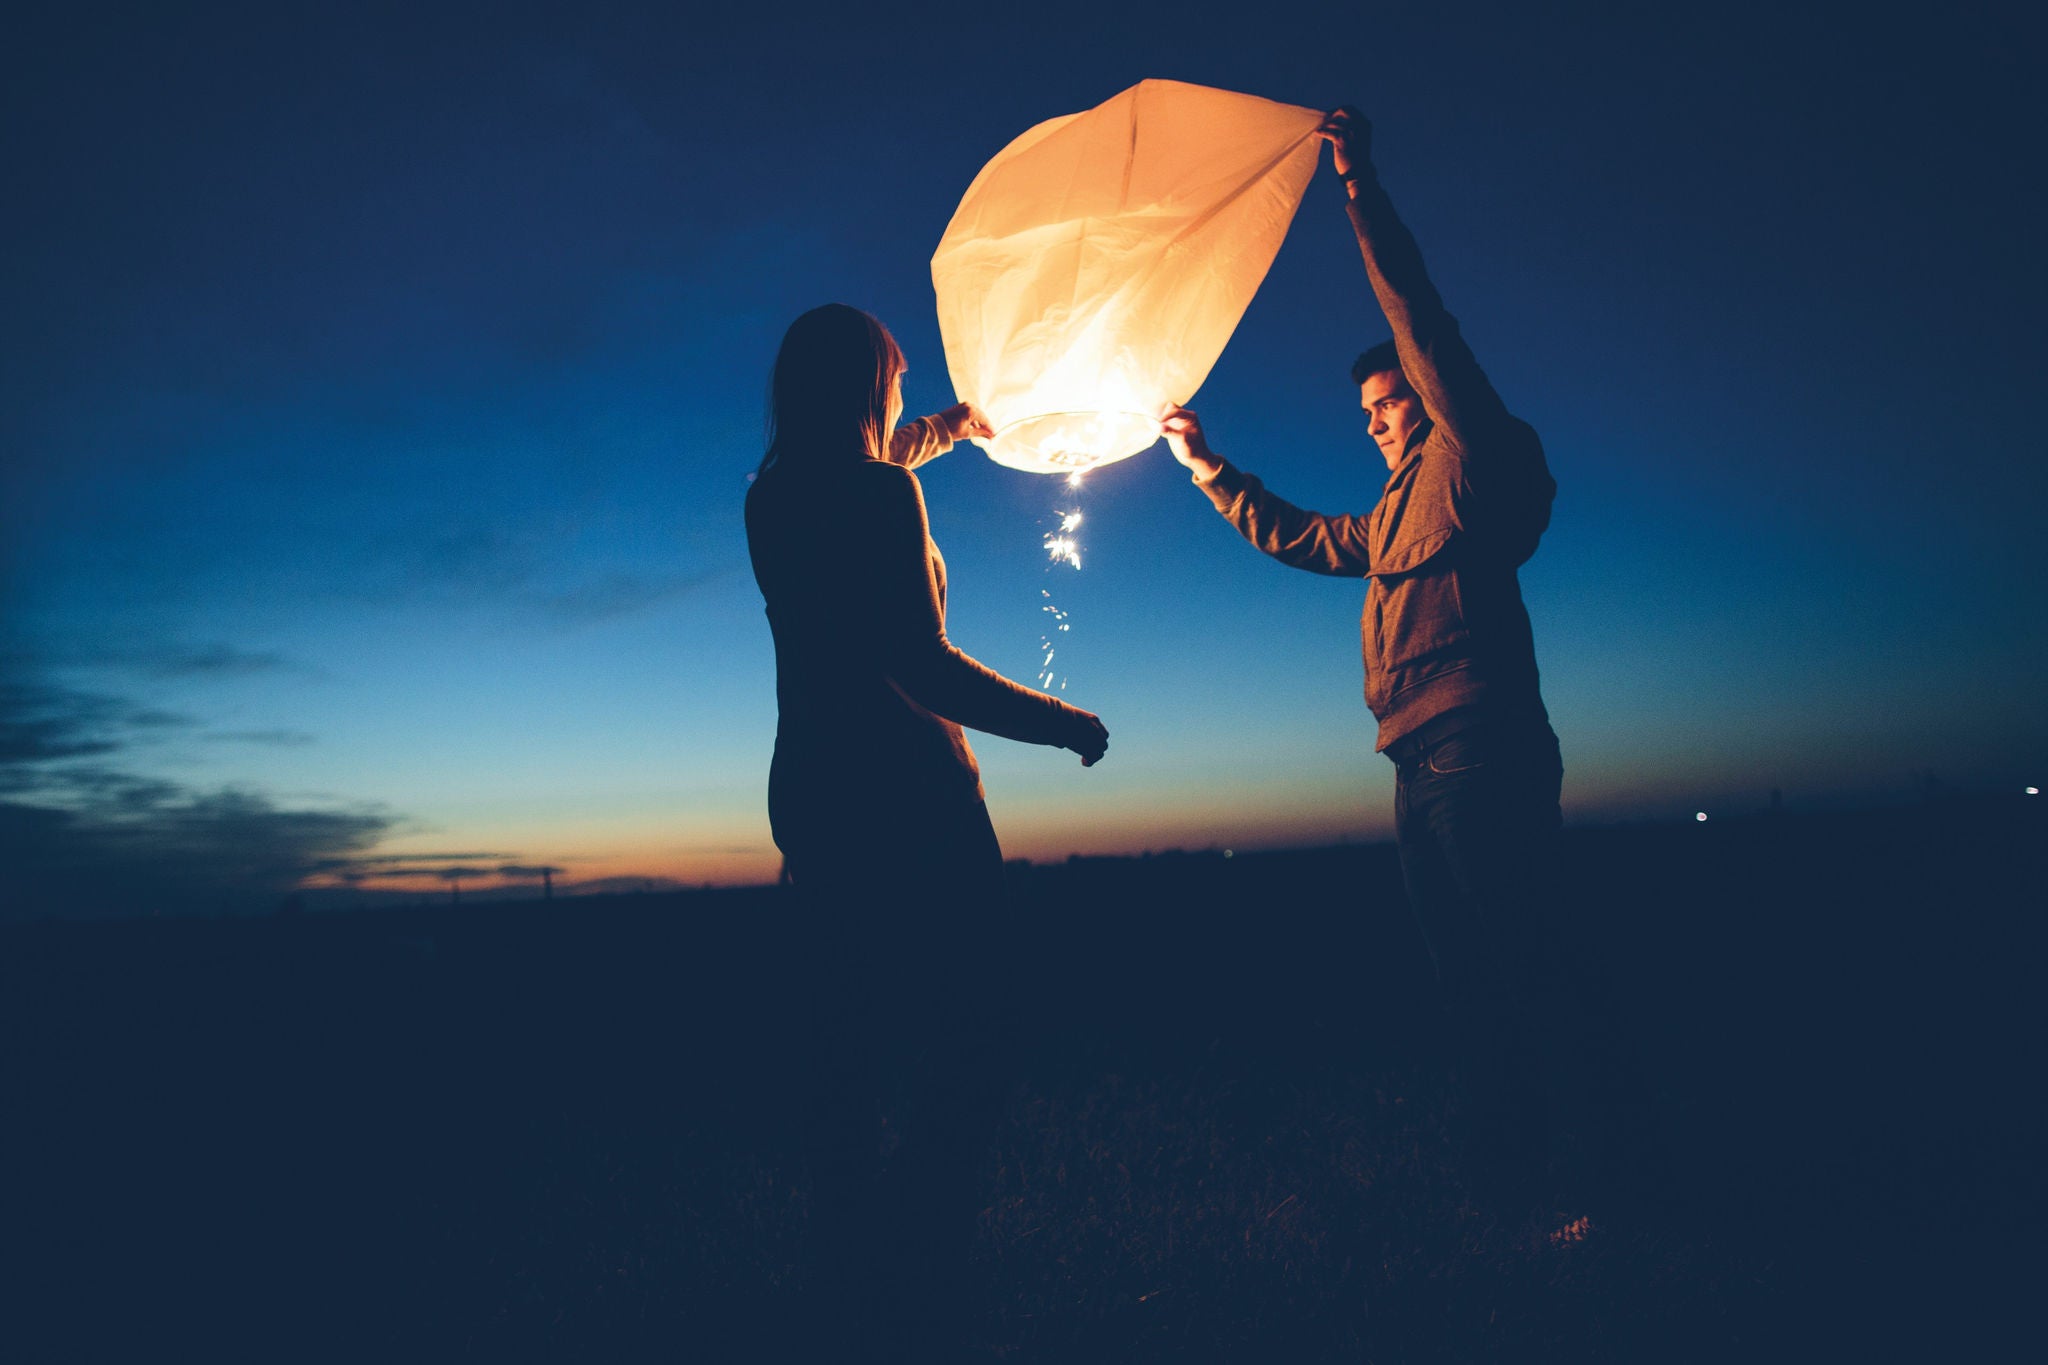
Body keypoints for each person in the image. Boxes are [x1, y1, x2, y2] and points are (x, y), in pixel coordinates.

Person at [1161, 109, 1603, 1207]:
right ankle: (1513, 1171)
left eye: (1387, 401)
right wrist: (1209, 468)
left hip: (1477, 753)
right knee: (1466, 978)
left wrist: (1357, 189)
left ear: (1425, 394)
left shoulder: (1469, 458)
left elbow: (1424, 323)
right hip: (1415, 766)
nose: (1372, 422)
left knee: (1519, 965)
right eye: (1363, 412)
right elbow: (1307, 539)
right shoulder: (1396, 512)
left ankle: (1588, 1178)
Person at [744, 302, 1107, 1356]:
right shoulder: (877, 491)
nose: (903, 401)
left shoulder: (775, 497)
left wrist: (958, 424)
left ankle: (853, 1272)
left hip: (812, 788)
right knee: (978, 1030)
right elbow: (920, 660)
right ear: (869, 384)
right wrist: (1060, 722)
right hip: (907, 792)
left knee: (848, 1041)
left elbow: (879, 459)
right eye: (896, 382)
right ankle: (917, 1257)